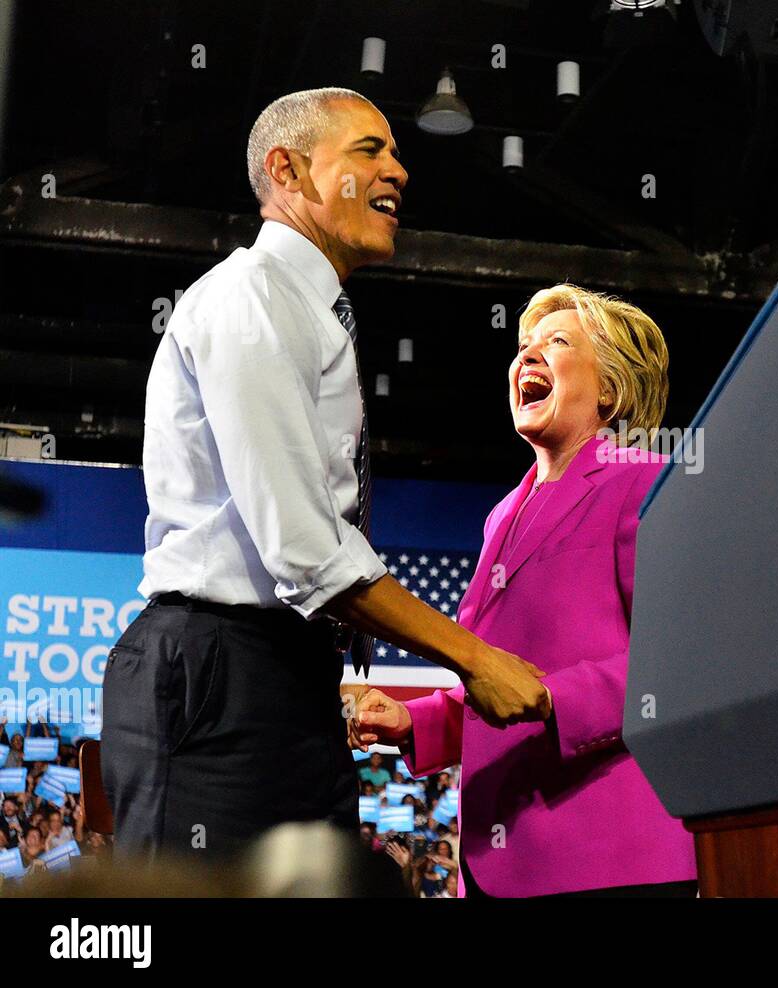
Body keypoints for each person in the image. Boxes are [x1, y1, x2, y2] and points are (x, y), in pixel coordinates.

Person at [101, 86, 550, 860]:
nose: (399, 172)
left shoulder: (311, 311)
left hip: (283, 675)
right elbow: (304, 548)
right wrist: (474, 659)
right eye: (370, 152)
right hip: (219, 670)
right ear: (289, 169)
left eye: (398, 154)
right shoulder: (252, 298)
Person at [355, 285, 697, 897]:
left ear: (611, 390)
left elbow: (678, 669)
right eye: (522, 347)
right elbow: (497, 683)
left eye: (557, 343)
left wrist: (551, 699)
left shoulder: (643, 483)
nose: (527, 357)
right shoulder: (501, 517)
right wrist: (415, 721)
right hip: (496, 863)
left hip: (608, 862)